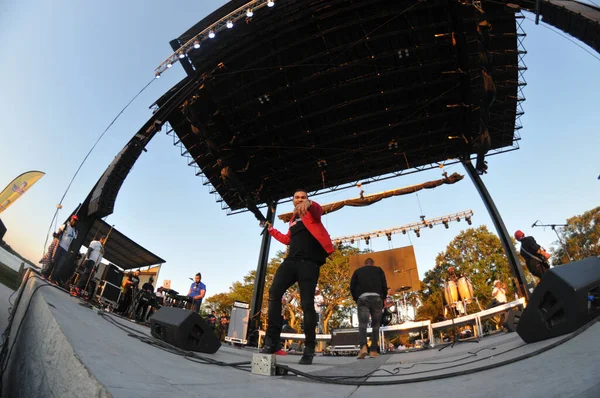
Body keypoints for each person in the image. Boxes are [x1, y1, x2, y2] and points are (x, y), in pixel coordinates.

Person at [262, 189, 334, 365]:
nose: (300, 199)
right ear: (293, 200)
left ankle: (309, 348)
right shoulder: (293, 220)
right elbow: (288, 239)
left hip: (309, 264)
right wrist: (271, 230)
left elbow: (319, 210)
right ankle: (272, 340)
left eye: (303, 197)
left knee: (307, 304)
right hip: (290, 261)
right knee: (273, 293)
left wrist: (310, 204)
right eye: (297, 197)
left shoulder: (311, 212)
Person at [350, 257, 388, 359]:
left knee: (363, 324)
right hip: (376, 298)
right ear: (373, 263)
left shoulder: (357, 271)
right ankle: (373, 351)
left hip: (362, 299)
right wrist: (384, 298)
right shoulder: (379, 270)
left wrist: (356, 298)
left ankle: (363, 348)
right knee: (376, 325)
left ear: (365, 264)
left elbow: (352, 287)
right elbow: (384, 285)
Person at [42, 214, 79, 284]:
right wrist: (55, 235)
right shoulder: (65, 226)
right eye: (74, 220)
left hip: (66, 250)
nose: (74, 222)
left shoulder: (75, 232)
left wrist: (71, 251)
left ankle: (52, 278)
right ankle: (45, 275)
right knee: (52, 261)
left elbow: (73, 242)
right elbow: (58, 234)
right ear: (71, 219)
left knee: (59, 265)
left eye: (76, 221)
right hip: (59, 246)